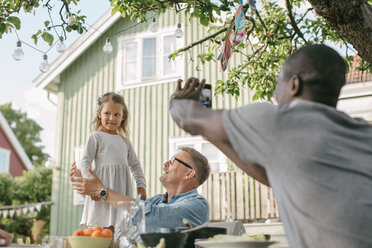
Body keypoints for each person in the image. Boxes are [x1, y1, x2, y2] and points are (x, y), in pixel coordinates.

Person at [169, 44, 372, 248]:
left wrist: (177, 100)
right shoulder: (363, 133)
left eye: (278, 83)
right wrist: (212, 136)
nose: (275, 93)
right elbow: (270, 175)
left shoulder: (281, 120)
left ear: (294, 84)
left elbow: (188, 117)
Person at [71, 147, 210, 232]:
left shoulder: (198, 206)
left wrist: (101, 190)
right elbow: (119, 213)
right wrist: (88, 191)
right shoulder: (157, 200)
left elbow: (148, 216)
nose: (165, 163)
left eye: (173, 160)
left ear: (189, 173)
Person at [77, 92, 146, 229]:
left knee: (120, 229)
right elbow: (84, 162)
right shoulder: (95, 137)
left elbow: (135, 164)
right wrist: (91, 187)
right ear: (99, 113)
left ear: (123, 116)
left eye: (116, 115)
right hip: (101, 189)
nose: (111, 118)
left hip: (120, 191)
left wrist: (141, 184)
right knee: (101, 230)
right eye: (107, 113)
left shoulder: (124, 141)